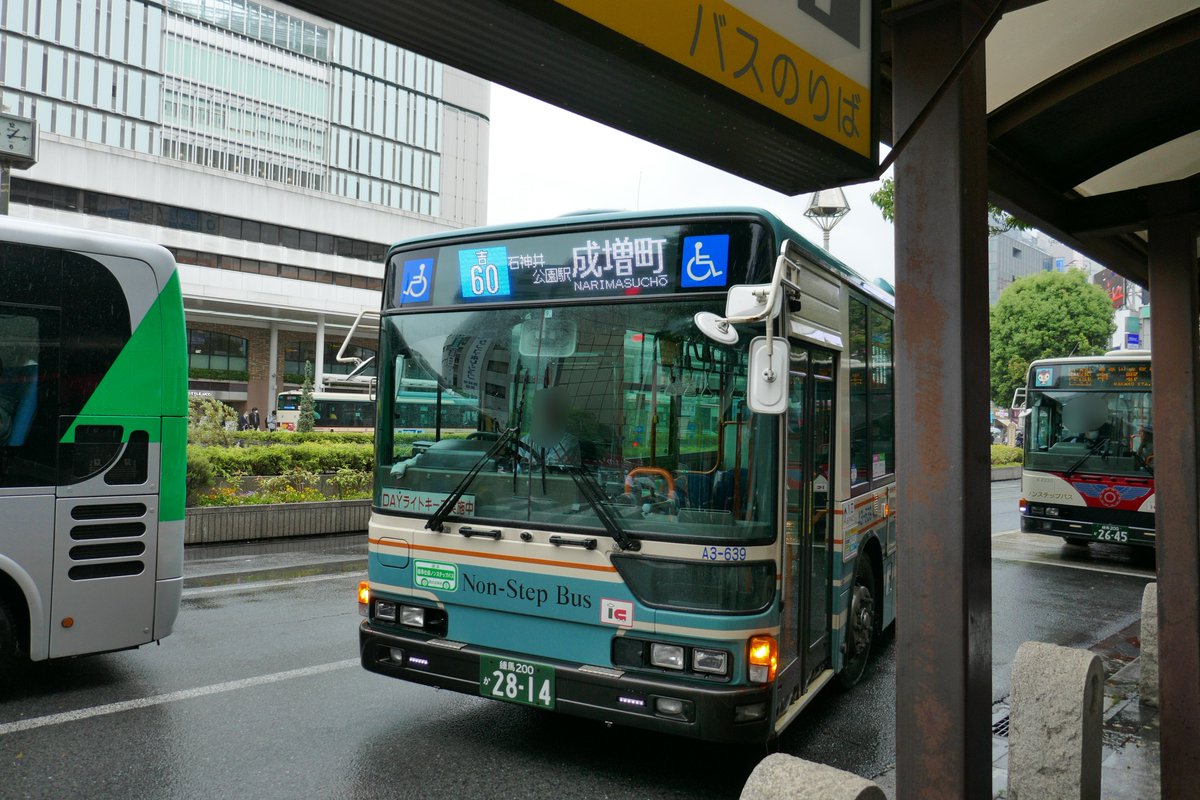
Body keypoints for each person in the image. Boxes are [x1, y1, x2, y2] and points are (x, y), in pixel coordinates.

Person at [521, 387, 580, 467]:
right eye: (538, 410)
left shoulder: (568, 441)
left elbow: (551, 468)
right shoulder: (526, 440)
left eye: (548, 410)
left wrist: (529, 463)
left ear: (557, 414)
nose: (542, 415)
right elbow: (518, 465)